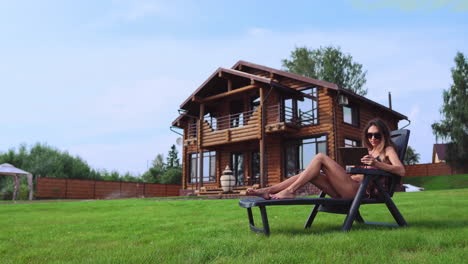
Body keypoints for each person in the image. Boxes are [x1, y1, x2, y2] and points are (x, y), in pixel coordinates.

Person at [246, 118, 405, 200]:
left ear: (383, 134)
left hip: (360, 193)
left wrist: (376, 163)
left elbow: (401, 170)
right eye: (369, 135)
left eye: (376, 135)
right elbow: (364, 176)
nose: (372, 138)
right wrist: (350, 173)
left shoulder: (388, 150)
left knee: (320, 157)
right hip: (351, 187)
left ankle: (290, 191)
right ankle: (267, 190)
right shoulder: (369, 152)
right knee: (308, 173)